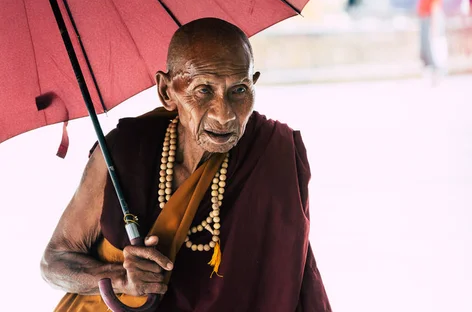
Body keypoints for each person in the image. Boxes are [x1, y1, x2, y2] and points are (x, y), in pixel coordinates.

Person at [41, 18, 330, 311]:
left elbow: (290, 278)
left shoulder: (272, 152)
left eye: (239, 90)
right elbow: (54, 262)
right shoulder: (124, 150)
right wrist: (119, 279)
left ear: (253, 84)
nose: (224, 115)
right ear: (167, 91)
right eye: (204, 90)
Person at [414, 0, 446, 83]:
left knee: (434, 46)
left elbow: (435, 9)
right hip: (426, 19)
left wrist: (434, 26)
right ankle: (431, 71)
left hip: (431, 20)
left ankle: (437, 72)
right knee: (427, 47)